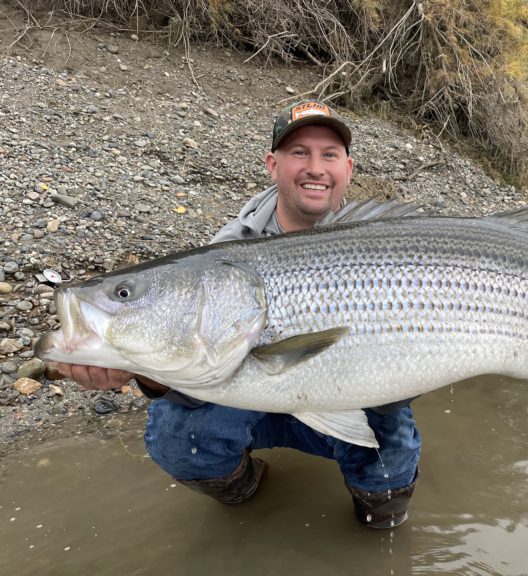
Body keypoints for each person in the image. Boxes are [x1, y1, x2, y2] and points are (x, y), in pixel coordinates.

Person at [55, 99, 421, 529]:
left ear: (348, 167)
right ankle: (244, 490)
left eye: (329, 155)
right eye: (299, 153)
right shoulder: (225, 254)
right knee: (178, 432)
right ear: (273, 164)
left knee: (388, 448)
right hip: (248, 398)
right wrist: (144, 372)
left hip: (349, 391)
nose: (315, 168)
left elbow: (407, 376)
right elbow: (196, 367)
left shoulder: (384, 246)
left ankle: (379, 513)